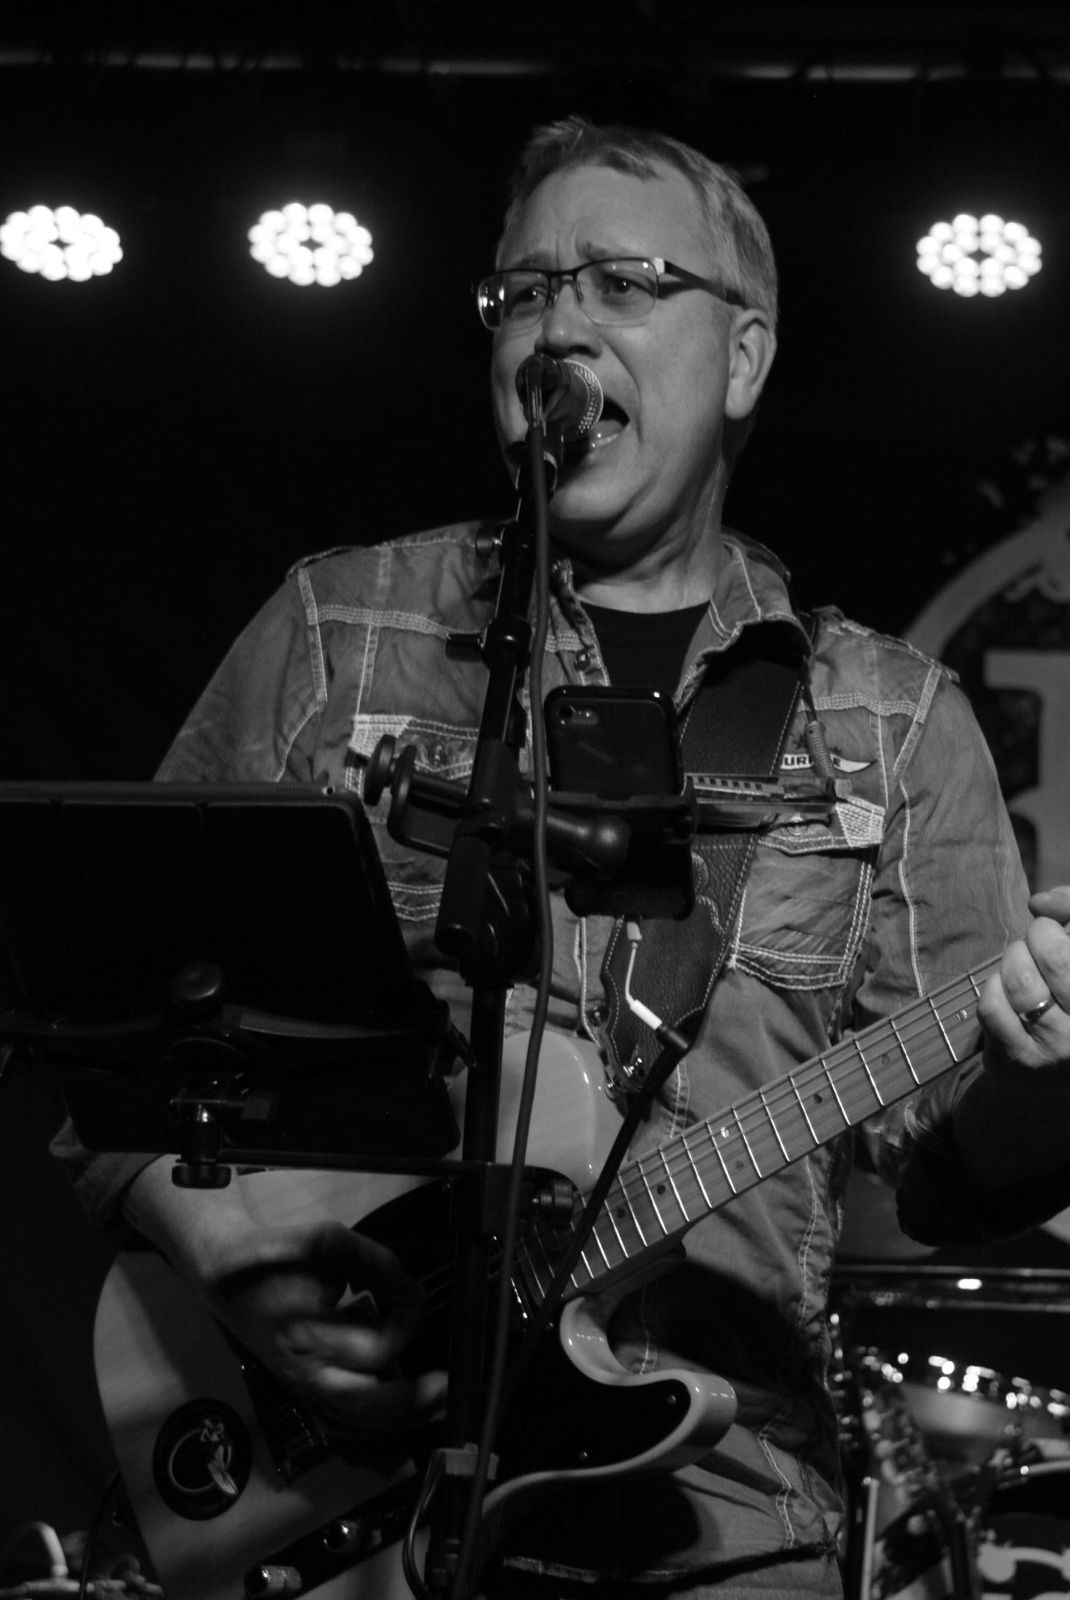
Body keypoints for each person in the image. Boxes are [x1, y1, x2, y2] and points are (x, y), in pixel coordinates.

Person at [55, 116, 1070, 1598]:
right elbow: (112, 1031)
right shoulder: (344, 633)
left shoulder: (888, 721)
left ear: (741, 359)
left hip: (723, 1508)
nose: (560, 325)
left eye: (622, 283)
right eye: (523, 291)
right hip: (331, 1508)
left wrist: (1041, 1068)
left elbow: (947, 1178)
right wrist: (224, 1252)